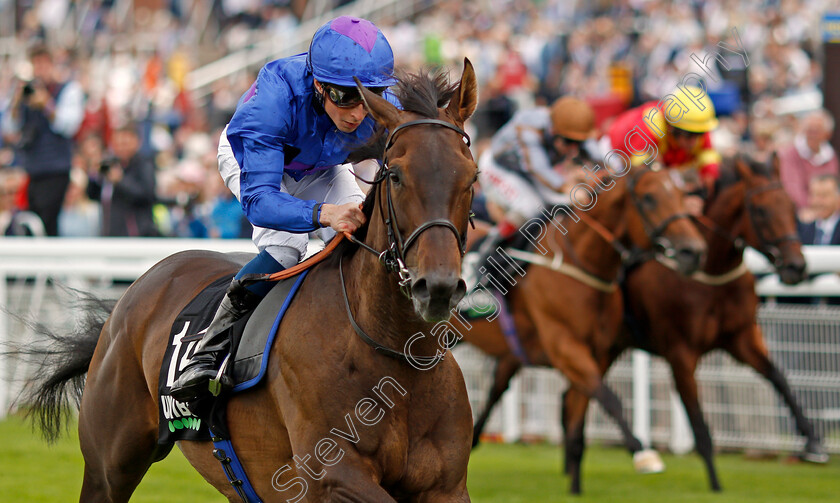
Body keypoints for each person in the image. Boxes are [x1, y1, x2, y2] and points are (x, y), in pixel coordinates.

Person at [170, 16, 400, 401]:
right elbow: (260, 202)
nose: (359, 112)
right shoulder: (273, 100)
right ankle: (206, 351)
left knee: (364, 234)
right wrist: (322, 214)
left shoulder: (381, 109)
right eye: (345, 97)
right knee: (285, 248)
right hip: (255, 162)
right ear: (318, 85)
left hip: (321, 164)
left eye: (369, 95)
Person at [474, 96, 597, 261]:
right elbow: (539, 169)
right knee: (531, 207)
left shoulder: (566, 127)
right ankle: (488, 251)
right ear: (553, 131)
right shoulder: (529, 127)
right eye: (569, 142)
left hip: (524, 172)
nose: (574, 150)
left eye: (579, 143)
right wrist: (569, 188)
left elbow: (599, 154)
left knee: (560, 203)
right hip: (496, 168)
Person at [0, 44, 85, 236]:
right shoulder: (25, 94)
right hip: (32, 170)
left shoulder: (68, 90)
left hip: (56, 170)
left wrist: (47, 104)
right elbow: (10, 127)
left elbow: (68, 126)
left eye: (43, 64)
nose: (40, 69)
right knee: (33, 222)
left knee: (47, 222)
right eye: (36, 64)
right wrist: (16, 101)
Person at [607, 85, 721, 215]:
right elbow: (642, 174)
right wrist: (681, 200)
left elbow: (708, 155)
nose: (694, 142)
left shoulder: (696, 126)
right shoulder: (650, 127)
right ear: (672, 128)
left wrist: (710, 176)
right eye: (689, 135)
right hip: (618, 151)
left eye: (699, 134)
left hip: (664, 155)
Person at [86, 125, 159, 237]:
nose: (121, 148)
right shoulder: (111, 164)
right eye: (117, 144)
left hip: (135, 236)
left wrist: (121, 181)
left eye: (125, 144)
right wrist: (94, 174)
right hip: (110, 235)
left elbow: (147, 195)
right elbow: (92, 195)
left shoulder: (143, 165)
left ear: (137, 142)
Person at [778, 109, 840, 219]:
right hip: (802, 211)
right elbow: (793, 189)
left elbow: (834, 187)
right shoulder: (791, 154)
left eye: (817, 131)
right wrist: (818, 207)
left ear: (827, 134)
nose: (812, 134)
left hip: (828, 211)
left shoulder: (831, 156)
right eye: (809, 130)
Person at [798, 174, 840, 246]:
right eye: (814, 195)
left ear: (838, 199)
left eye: (824, 195)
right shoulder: (801, 231)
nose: (818, 202)